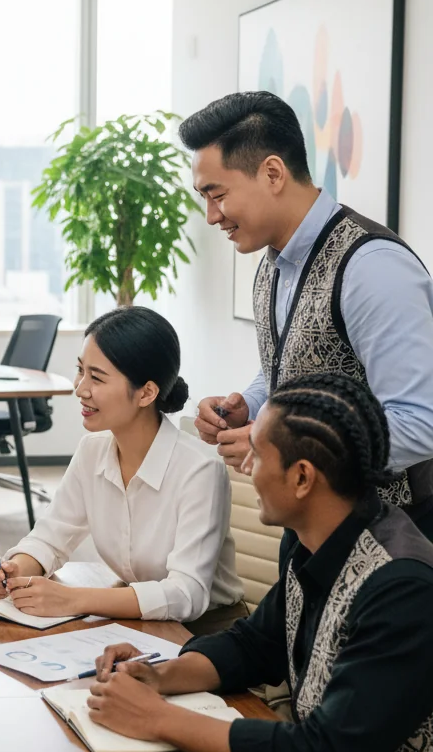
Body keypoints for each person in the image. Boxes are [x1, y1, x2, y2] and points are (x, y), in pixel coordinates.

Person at [88, 373, 433, 752]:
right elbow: (256, 643)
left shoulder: (400, 588)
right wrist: (161, 676)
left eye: (258, 453)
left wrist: (159, 719)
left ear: (302, 477)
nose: (246, 466)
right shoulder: (312, 538)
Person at [182, 91, 433, 538]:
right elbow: (294, 361)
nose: (210, 216)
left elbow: (421, 422)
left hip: (391, 533)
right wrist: (251, 405)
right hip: (312, 526)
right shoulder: (273, 262)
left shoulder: (372, 267)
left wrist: (281, 442)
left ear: (273, 173)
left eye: (216, 195)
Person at [0, 307, 245, 635]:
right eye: (81, 371)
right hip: (135, 620)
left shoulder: (199, 470)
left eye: (97, 377)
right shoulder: (92, 451)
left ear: (146, 392)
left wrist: (74, 599)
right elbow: (50, 538)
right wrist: (13, 569)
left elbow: (185, 594)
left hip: (205, 632)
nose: (80, 388)